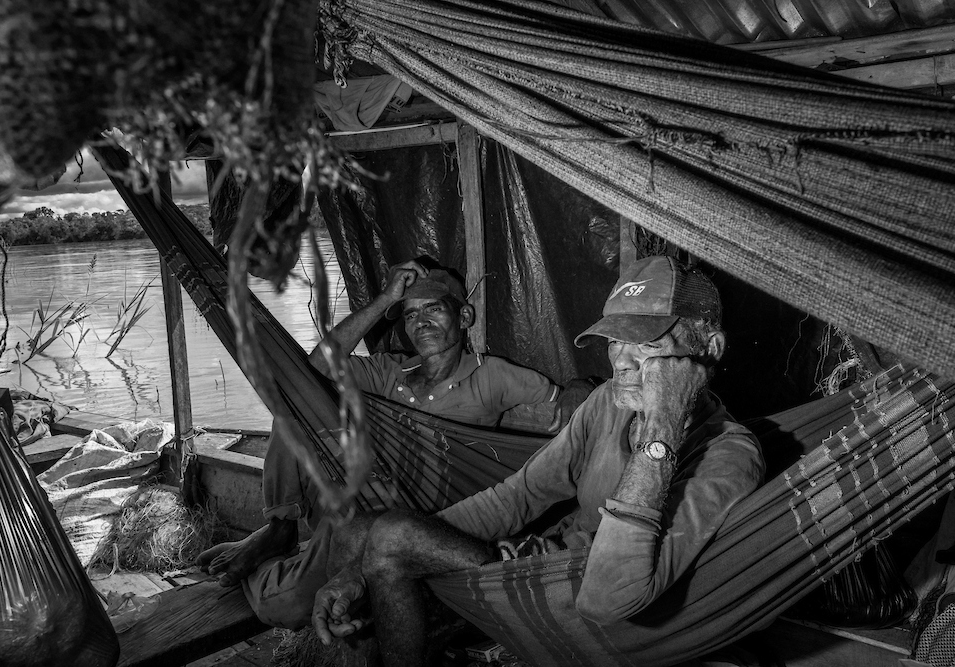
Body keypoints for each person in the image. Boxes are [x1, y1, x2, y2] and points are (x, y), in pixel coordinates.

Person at [309, 255, 765, 666]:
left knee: (391, 538)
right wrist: (365, 566)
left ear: (709, 348)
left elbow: (609, 597)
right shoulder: (607, 403)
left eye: (645, 343)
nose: (621, 361)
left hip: (594, 609)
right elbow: (521, 494)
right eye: (614, 341)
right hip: (539, 565)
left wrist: (662, 425)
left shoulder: (730, 455)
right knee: (360, 534)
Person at [197, 258, 592, 605]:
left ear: (464, 318)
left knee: (284, 602)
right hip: (364, 501)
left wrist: (580, 385)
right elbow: (314, 371)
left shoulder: (493, 376)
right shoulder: (389, 371)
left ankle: (262, 568)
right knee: (295, 405)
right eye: (410, 314)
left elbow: (573, 407)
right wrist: (385, 299)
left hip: (424, 521)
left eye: (434, 309)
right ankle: (280, 527)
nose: (421, 322)